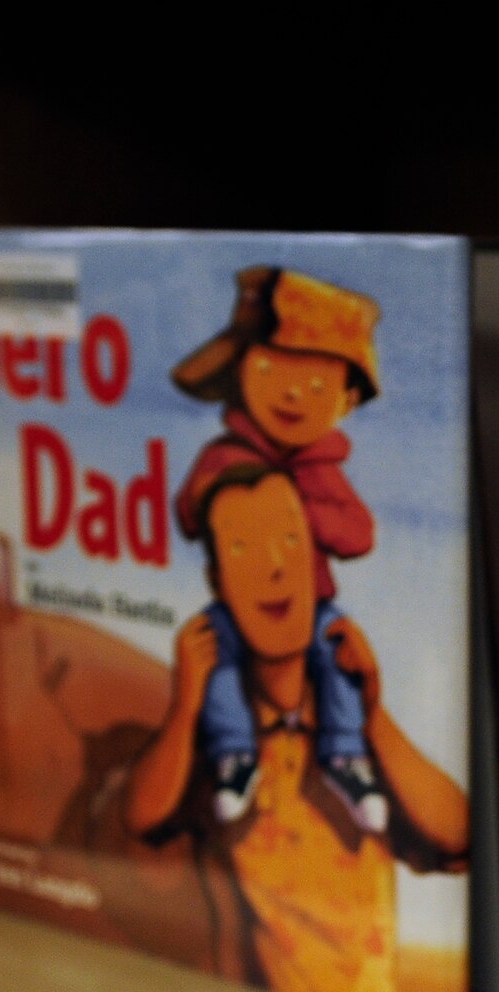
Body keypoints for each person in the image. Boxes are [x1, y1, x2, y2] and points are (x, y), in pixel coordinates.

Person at [125, 464, 469, 992]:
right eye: (243, 548)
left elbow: (458, 836)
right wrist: (185, 709)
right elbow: (139, 820)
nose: (275, 566)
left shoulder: (352, 727)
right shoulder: (214, 742)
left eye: (291, 540)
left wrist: (373, 714)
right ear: (216, 581)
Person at [169, 267, 387, 830]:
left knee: (335, 655)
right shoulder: (226, 454)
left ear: (343, 401)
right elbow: (188, 514)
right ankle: (235, 754)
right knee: (216, 655)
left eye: (316, 386)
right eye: (270, 369)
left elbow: (358, 534)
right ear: (241, 372)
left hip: (310, 605)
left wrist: (303, 508)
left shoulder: (321, 472)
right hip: (238, 606)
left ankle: (344, 755)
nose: (292, 394)